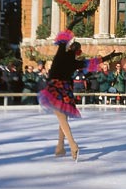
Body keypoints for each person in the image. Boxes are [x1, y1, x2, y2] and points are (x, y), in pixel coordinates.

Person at [39, 16, 120, 161]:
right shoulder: (77, 63)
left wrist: (74, 22)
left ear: (70, 47)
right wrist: (111, 56)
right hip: (66, 89)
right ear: (78, 52)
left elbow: (65, 33)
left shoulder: (62, 52)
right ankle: (60, 146)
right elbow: (96, 61)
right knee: (62, 117)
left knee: (61, 118)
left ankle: (72, 144)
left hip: (55, 88)